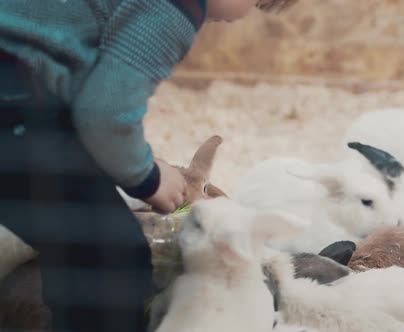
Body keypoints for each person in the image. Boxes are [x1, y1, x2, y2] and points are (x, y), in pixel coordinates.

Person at [0, 0, 297, 331]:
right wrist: (148, 177)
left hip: (21, 99)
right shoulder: (175, 8)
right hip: (15, 111)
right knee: (113, 254)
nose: (244, 14)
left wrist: (132, 156)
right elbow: (105, 114)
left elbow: (89, 100)